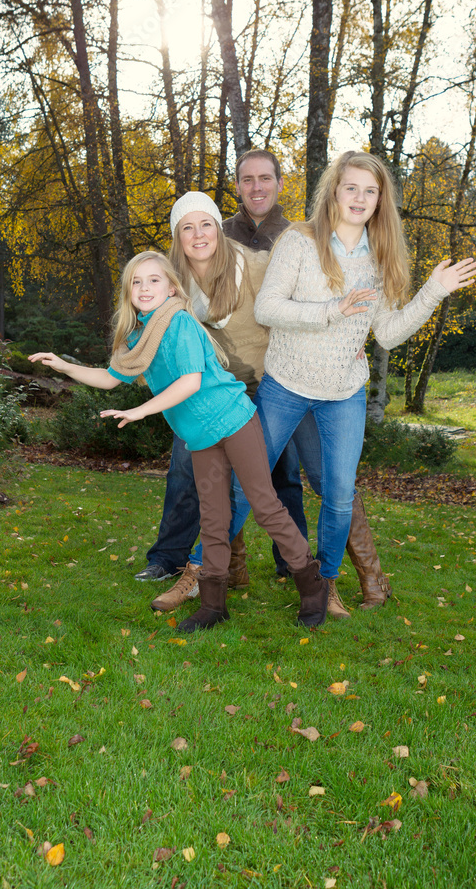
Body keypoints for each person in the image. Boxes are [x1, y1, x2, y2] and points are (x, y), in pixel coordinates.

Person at [141, 151, 392, 617]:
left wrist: (346, 337)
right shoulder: (206, 245)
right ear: (236, 187)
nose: (257, 187)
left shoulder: (300, 237)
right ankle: (201, 568)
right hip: (223, 387)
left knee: (307, 478)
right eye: (247, 179)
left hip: (284, 377)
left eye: (265, 178)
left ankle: (350, 576)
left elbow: (298, 302)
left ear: (280, 183)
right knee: (204, 474)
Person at [28, 251, 329, 633]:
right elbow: (110, 377)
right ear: (129, 292)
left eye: (154, 280)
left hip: (235, 421)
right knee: (214, 519)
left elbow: (191, 382)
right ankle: (213, 604)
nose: (144, 288)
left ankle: (312, 585)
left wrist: (140, 411)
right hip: (200, 437)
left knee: (266, 507)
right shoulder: (138, 338)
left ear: (172, 287)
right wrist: (65, 365)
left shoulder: (180, 324)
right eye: (137, 282)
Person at [252, 149, 476, 615]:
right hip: (285, 384)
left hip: (343, 394)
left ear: (380, 200)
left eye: (369, 191)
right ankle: (205, 573)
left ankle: (326, 586)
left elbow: (389, 333)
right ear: (334, 191)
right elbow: (266, 310)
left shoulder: (380, 257)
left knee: (338, 494)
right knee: (246, 484)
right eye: (350, 187)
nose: (359, 197)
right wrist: (331, 312)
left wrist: (433, 291)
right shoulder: (299, 241)